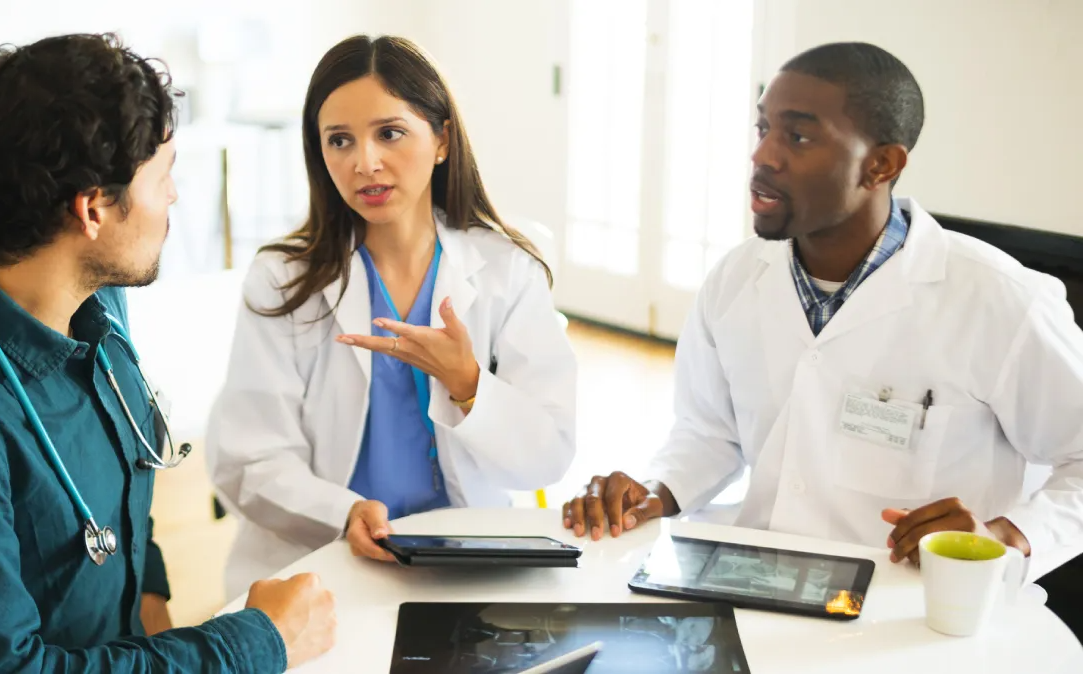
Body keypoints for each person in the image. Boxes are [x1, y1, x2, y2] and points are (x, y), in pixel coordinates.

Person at [0, 34, 335, 672]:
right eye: (164, 174)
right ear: (94, 207)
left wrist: (156, 624)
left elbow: (121, 513)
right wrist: (259, 642)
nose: (174, 197)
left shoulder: (98, 310)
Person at [563, 42, 1083, 585]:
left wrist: (1007, 536)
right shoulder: (736, 279)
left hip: (911, 609)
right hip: (756, 587)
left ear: (880, 164)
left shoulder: (1000, 301)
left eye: (798, 136)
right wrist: (657, 491)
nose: (763, 155)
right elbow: (712, 431)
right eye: (762, 129)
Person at [207, 34, 577, 599]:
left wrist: (469, 384)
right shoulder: (283, 279)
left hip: (467, 561)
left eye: (390, 133)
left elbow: (546, 455)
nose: (365, 163)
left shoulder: (508, 269)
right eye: (339, 140)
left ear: (442, 140)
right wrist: (344, 511)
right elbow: (247, 460)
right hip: (320, 559)